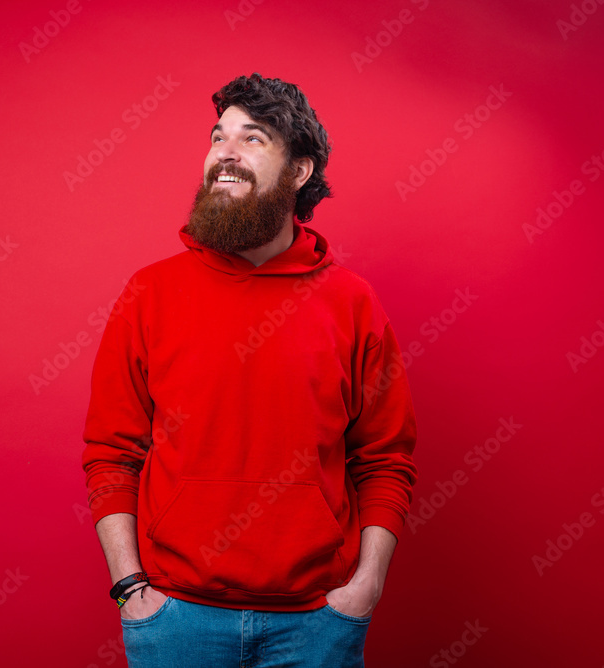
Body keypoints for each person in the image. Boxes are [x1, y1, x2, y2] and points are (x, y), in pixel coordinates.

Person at [81, 72, 418, 668]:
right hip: (173, 620)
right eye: (218, 137)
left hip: (317, 624)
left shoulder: (353, 304)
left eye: (253, 138)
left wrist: (363, 590)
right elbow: (111, 450)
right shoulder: (149, 294)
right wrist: (131, 588)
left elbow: (386, 459)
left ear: (299, 172)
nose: (226, 154)